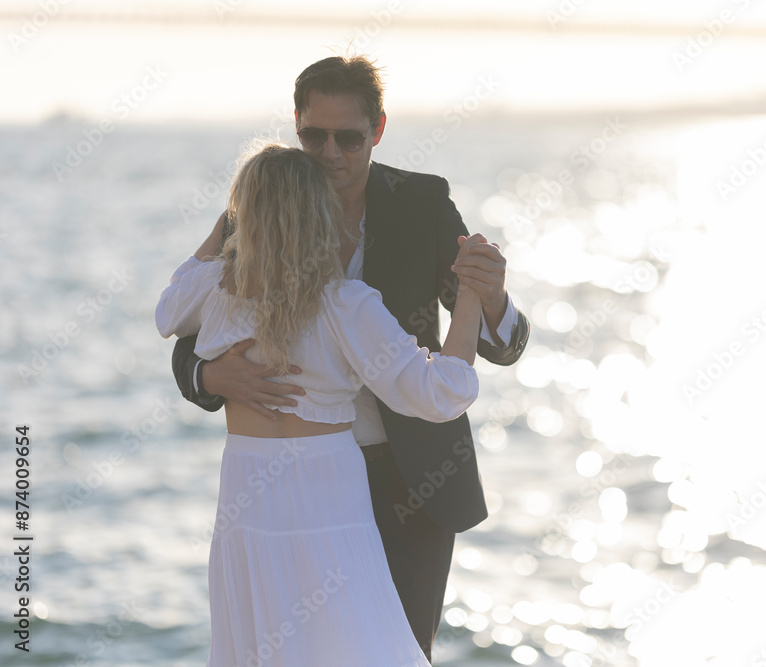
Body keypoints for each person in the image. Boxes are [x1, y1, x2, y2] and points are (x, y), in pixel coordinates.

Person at [171, 55, 530, 662]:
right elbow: (189, 328)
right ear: (296, 126)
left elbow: (501, 343)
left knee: (398, 649)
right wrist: (209, 375)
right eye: (314, 135)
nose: (330, 153)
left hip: (413, 477)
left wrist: (490, 296)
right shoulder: (259, 207)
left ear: (379, 130)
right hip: (291, 483)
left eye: (349, 137)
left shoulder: (423, 203)